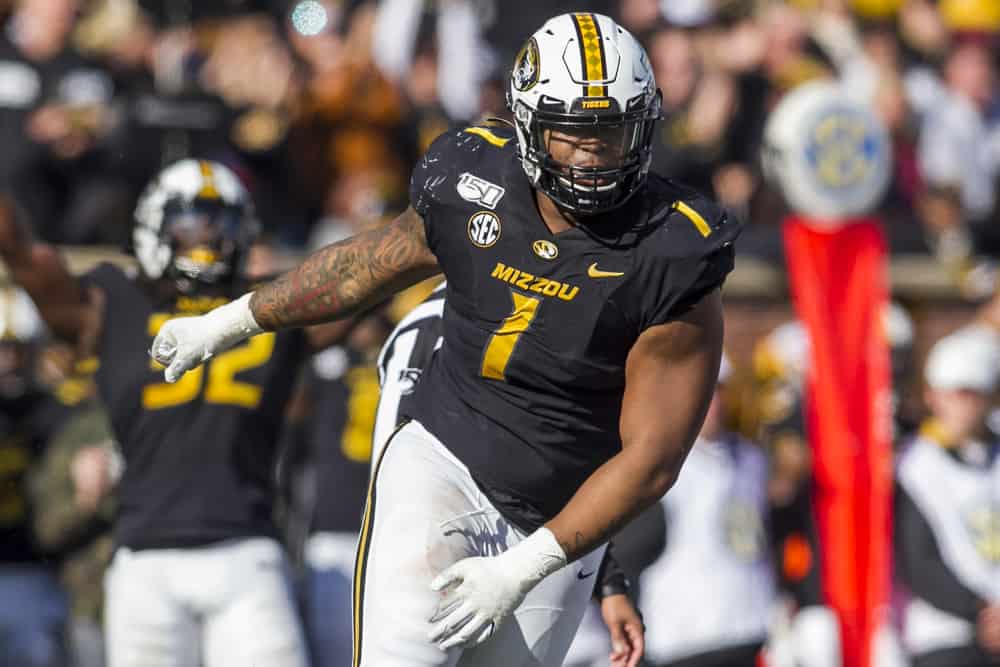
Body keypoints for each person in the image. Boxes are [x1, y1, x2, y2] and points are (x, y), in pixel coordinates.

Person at [152, 12, 739, 667]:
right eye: (572, 134)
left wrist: (541, 566)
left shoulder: (673, 250)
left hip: (558, 520)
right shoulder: (472, 176)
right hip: (444, 459)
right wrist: (230, 321)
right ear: (526, 123)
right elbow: (364, 266)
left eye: (612, 133)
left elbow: (652, 458)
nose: (593, 156)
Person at [0, 159, 343, 667]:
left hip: (246, 551)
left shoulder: (270, 302)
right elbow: (25, 254)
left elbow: (365, 281)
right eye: (190, 222)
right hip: (146, 557)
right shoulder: (112, 300)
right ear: (153, 225)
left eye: (219, 223)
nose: (205, 238)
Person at [376, 282, 646, 667]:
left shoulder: (561, 297)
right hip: (448, 522)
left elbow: (567, 453)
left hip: (543, 540)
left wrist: (609, 580)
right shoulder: (434, 320)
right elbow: (396, 452)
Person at [895, 325, 1000, 667]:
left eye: (973, 393)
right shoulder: (914, 466)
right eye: (955, 393)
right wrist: (980, 611)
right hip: (946, 635)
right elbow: (919, 562)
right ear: (932, 396)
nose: (963, 405)